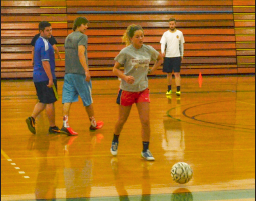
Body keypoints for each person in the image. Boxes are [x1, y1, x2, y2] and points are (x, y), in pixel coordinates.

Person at [110, 24, 163, 161]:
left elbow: (160, 58)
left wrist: (153, 70)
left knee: (145, 121)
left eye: (142, 36)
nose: (141, 39)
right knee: (122, 120)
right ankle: (115, 139)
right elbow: (115, 69)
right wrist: (125, 77)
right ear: (131, 38)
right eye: (137, 36)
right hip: (127, 90)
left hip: (142, 89)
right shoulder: (126, 52)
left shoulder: (148, 50)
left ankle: (145, 150)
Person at [61, 17, 104, 136]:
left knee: (67, 99)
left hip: (68, 73)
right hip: (80, 74)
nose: (86, 27)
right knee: (87, 99)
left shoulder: (68, 37)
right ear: (79, 25)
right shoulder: (82, 37)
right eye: (85, 25)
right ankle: (93, 123)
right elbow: (81, 53)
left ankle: (65, 125)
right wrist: (86, 70)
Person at [26, 21, 61, 135]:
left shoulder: (39, 41)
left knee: (43, 100)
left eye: (51, 29)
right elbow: (45, 63)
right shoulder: (45, 44)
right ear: (41, 31)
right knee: (50, 101)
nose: (50, 32)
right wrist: (50, 79)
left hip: (38, 77)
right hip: (45, 77)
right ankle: (53, 127)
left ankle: (31, 118)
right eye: (47, 30)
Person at [160, 17, 185, 96]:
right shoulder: (165, 34)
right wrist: (162, 51)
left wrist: (182, 54)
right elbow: (163, 43)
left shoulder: (180, 33)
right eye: (170, 24)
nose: (171, 25)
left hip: (177, 56)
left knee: (177, 73)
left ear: (175, 24)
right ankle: (169, 89)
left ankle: (178, 90)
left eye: (173, 24)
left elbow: (181, 44)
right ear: (168, 25)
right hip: (168, 56)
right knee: (169, 74)